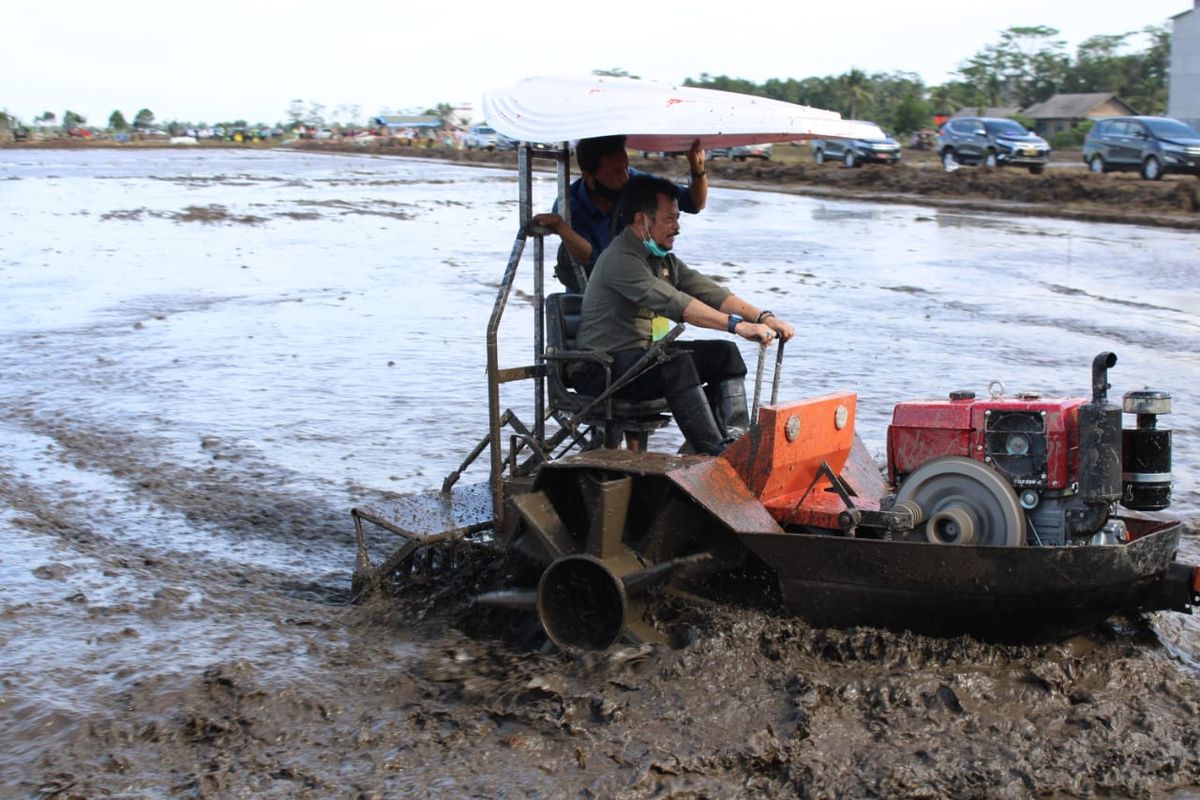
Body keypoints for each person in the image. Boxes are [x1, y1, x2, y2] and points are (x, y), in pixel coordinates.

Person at [574, 174, 795, 455]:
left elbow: (708, 291)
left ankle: (736, 443)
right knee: (676, 365)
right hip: (600, 368)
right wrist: (737, 327)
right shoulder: (620, 260)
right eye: (670, 219)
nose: (677, 227)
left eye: (678, 218)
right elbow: (677, 303)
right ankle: (714, 453)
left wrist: (763, 317)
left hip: (638, 360)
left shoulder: (662, 258)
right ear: (642, 220)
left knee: (724, 355)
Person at [532, 135, 708, 292]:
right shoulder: (571, 205)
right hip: (589, 294)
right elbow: (587, 256)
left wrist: (698, 171)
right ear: (590, 178)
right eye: (615, 172)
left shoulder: (636, 182)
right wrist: (561, 227)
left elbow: (694, 203)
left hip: (637, 286)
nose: (624, 177)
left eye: (626, 168)